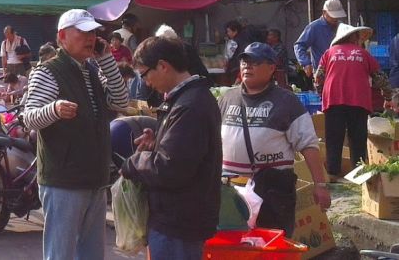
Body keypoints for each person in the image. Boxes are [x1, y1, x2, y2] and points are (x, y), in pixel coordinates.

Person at [20, 9, 128, 260]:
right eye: (82, 32)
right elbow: (30, 118)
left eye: (93, 33)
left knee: (92, 254)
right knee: (61, 254)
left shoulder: (91, 71)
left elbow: (121, 101)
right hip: (64, 180)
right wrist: (54, 109)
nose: (90, 38)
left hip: (94, 178)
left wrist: (106, 60)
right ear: (62, 36)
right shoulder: (48, 71)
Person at [121, 36, 222, 260]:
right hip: (177, 217)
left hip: (179, 221)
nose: (146, 83)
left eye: (144, 74)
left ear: (163, 66)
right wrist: (157, 142)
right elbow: (180, 152)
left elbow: (170, 168)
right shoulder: (185, 99)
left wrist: (134, 162)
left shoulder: (190, 105)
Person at [219, 42, 330, 235]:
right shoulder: (227, 98)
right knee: (235, 243)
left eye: (255, 62)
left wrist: (320, 185)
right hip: (232, 190)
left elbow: (309, 145)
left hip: (273, 192)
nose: (247, 66)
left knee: (272, 242)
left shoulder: (287, 102)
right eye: (244, 62)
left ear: (271, 68)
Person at [316, 23, 392, 176]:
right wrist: (388, 96)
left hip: (333, 100)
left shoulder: (329, 53)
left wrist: (321, 93)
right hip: (358, 100)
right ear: (353, 38)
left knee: (334, 139)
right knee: (357, 139)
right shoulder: (363, 54)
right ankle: (358, 174)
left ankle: (333, 174)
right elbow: (379, 78)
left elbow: (319, 77)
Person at [295, 0, 347, 80]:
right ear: (324, 12)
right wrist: (306, 63)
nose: (335, 19)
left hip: (341, 71)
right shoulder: (314, 27)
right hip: (322, 73)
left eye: (337, 16)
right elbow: (299, 45)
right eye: (332, 16)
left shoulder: (342, 26)